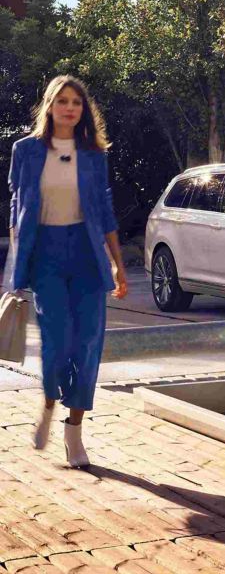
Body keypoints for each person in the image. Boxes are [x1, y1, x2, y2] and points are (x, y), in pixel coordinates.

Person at [7, 75, 128, 468]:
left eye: (77, 101)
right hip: (46, 255)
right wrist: (18, 263)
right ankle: (47, 402)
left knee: (89, 342)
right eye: (63, 101)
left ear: (83, 110)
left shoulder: (94, 154)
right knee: (56, 340)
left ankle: (74, 430)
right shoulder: (25, 150)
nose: (70, 108)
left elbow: (105, 213)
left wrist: (119, 266)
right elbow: (17, 209)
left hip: (87, 254)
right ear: (49, 106)